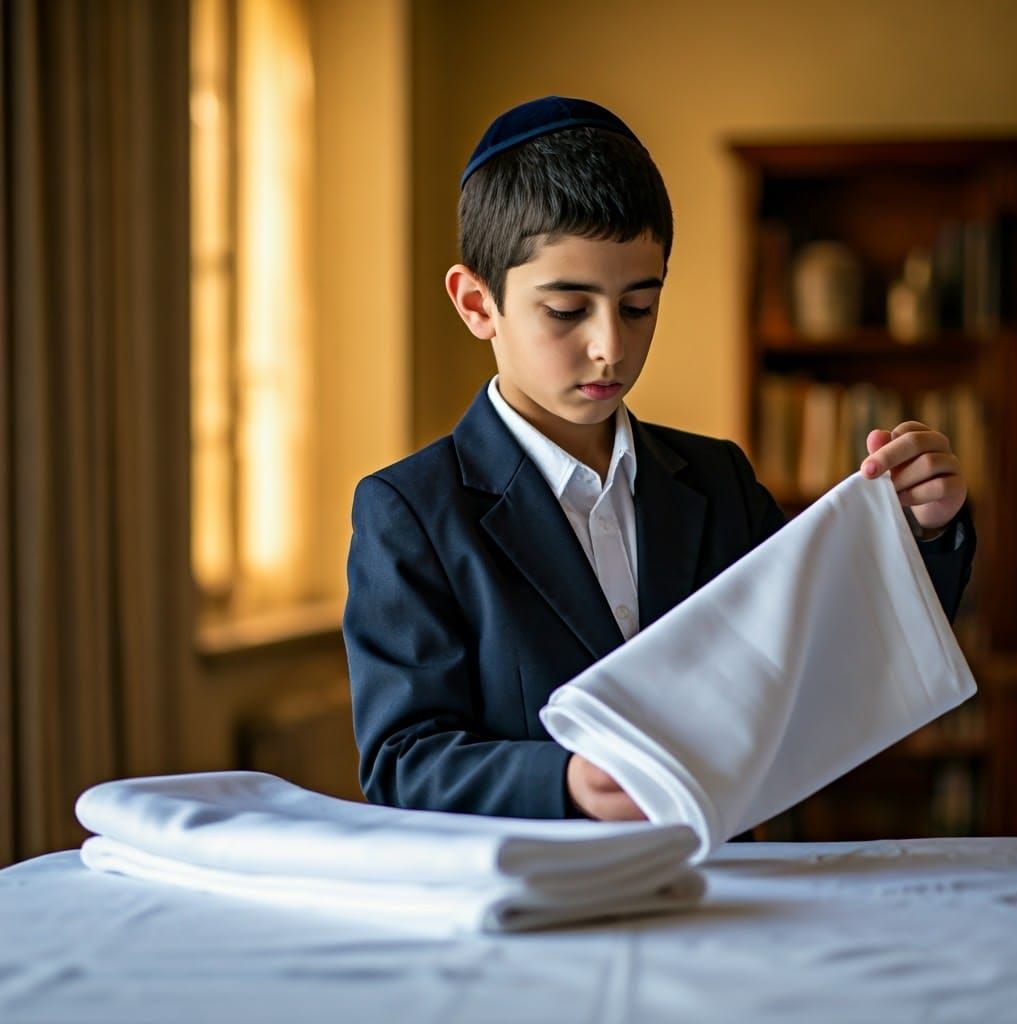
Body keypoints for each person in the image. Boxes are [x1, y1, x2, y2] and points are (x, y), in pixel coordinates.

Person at [342, 96, 975, 824]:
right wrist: (566, 782)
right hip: (538, 910)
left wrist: (922, 532)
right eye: (568, 310)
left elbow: (831, 661)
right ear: (478, 303)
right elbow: (403, 761)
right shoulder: (411, 511)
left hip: (729, 894)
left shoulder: (718, 481)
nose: (611, 345)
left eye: (639, 306)